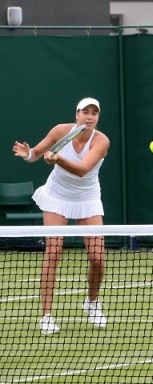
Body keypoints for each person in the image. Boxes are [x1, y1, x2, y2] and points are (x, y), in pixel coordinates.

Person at [12, 97, 110, 335]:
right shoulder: (60, 131)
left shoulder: (101, 140)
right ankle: (46, 316)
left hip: (87, 199)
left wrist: (58, 159)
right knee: (53, 253)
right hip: (57, 196)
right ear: (76, 115)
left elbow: (83, 169)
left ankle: (92, 303)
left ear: (97, 117)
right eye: (85, 112)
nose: (89, 116)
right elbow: (36, 153)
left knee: (98, 259)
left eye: (94, 113)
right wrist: (28, 154)